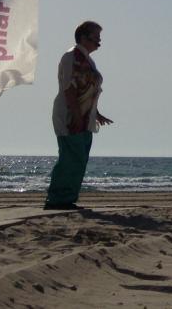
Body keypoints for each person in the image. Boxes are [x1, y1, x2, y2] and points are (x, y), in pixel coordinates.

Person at [44, 21, 113, 211]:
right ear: (84, 37)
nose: (99, 41)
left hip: (85, 117)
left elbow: (88, 90)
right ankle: (57, 200)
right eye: (96, 36)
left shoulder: (87, 59)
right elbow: (69, 90)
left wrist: (96, 113)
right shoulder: (71, 57)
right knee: (70, 157)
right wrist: (75, 116)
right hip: (70, 115)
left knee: (79, 159)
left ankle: (67, 198)